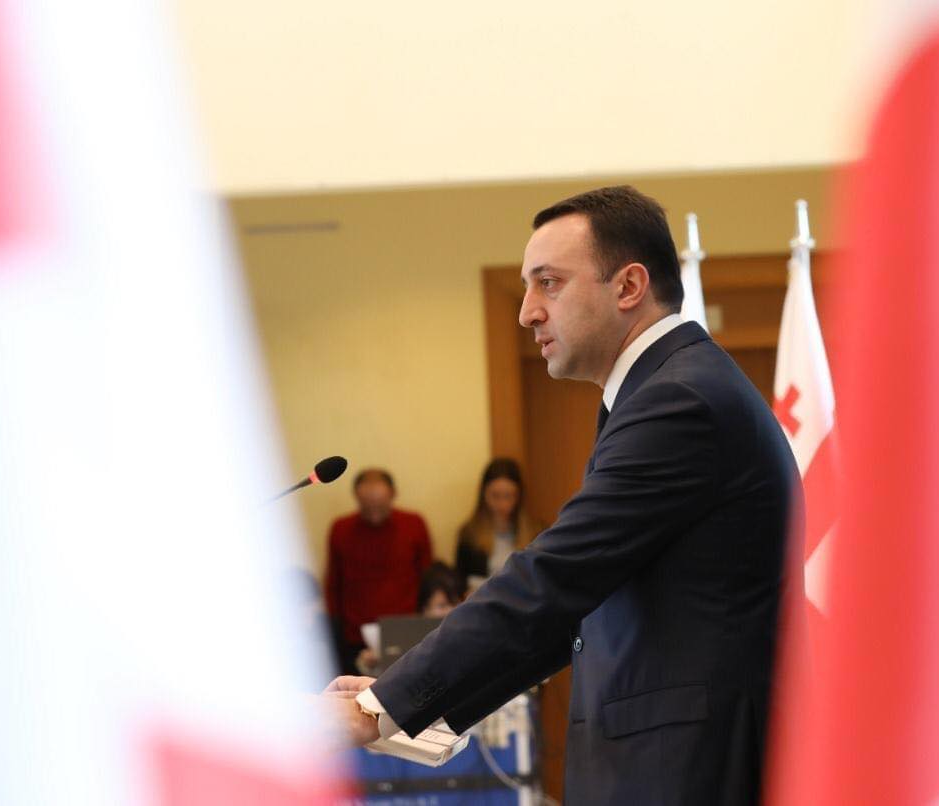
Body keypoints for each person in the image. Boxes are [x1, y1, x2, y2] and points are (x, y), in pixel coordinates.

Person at [325, 186, 799, 804]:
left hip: (688, 773)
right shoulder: (666, 391)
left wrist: (376, 709)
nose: (527, 312)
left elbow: (554, 577)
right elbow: (573, 607)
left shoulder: (679, 401)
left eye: (548, 283)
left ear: (629, 286)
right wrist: (399, 699)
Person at [324, 467, 432, 676]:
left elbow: (427, 578)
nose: (374, 511)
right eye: (367, 505)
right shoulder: (341, 529)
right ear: (356, 497)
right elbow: (333, 584)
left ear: (393, 495)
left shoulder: (414, 524)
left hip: (407, 631)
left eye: (380, 504)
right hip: (356, 637)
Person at [454, 458, 544, 588]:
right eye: (495, 496)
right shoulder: (469, 535)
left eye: (509, 496)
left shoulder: (537, 532)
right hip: (483, 599)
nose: (503, 505)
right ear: (483, 494)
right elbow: (460, 583)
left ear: (519, 496)